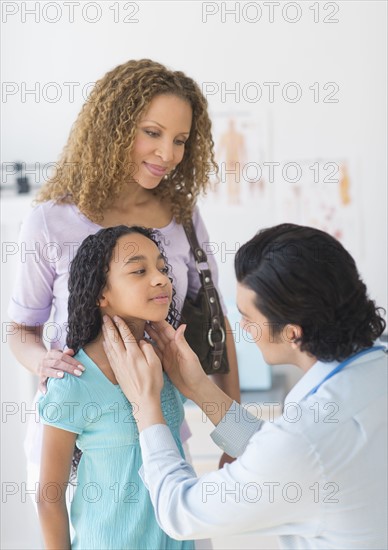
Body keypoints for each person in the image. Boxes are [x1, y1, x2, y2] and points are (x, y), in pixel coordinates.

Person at [7, 58, 240, 487]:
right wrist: (45, 361)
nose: (167, 154)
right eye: (152, 133)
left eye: (180, 140)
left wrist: (235, 437)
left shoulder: (182, 216)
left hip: (163, 430)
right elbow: (20, 328)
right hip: (76, 445)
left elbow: (217, 324)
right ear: (113, 128)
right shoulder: (48, 220)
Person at [102, 223, 387, 550]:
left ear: (292, 333)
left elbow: (181, 512)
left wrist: (145, 405)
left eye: (248, 317)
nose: (243, 328)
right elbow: (286, 455)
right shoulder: (375, 371)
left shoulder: (302, 442)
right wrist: (198, 388)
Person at [37, 225, 194, 550]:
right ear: (100, 294)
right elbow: (48, 497)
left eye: (162, 268)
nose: (160, 278)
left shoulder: (166, 362)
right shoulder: (74, 380)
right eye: (139, 270)